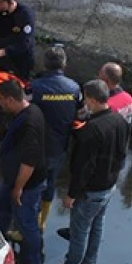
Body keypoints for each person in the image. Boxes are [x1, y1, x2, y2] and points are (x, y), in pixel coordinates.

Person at [42, 80, 130, 264]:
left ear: (90, 99)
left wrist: (71, 194)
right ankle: (89, 262)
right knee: (97, 225)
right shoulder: (120, 120)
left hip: (91, 191)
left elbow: (83, 168)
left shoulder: (92, 130)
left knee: (80, 230)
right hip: (109, 185)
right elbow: (122, 153)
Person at [0, 80, 46, 264]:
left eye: (1, 100)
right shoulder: (28, 112)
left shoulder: (29, 122)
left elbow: (29, 162)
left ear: (10, 99)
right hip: (12, 179)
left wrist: (18, 188)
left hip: (26, 185)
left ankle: (32, 262)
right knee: (4, 213)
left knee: (26, 222)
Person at [30, 46, 82, 231]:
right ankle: (42, 222)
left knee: (33, 185)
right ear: (64, 64)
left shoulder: (35, 87)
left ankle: (29, 225)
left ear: (45, 63)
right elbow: (80, 114)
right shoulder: (74, 88)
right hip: (60, 146)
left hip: (38, 146)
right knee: (51, 184)